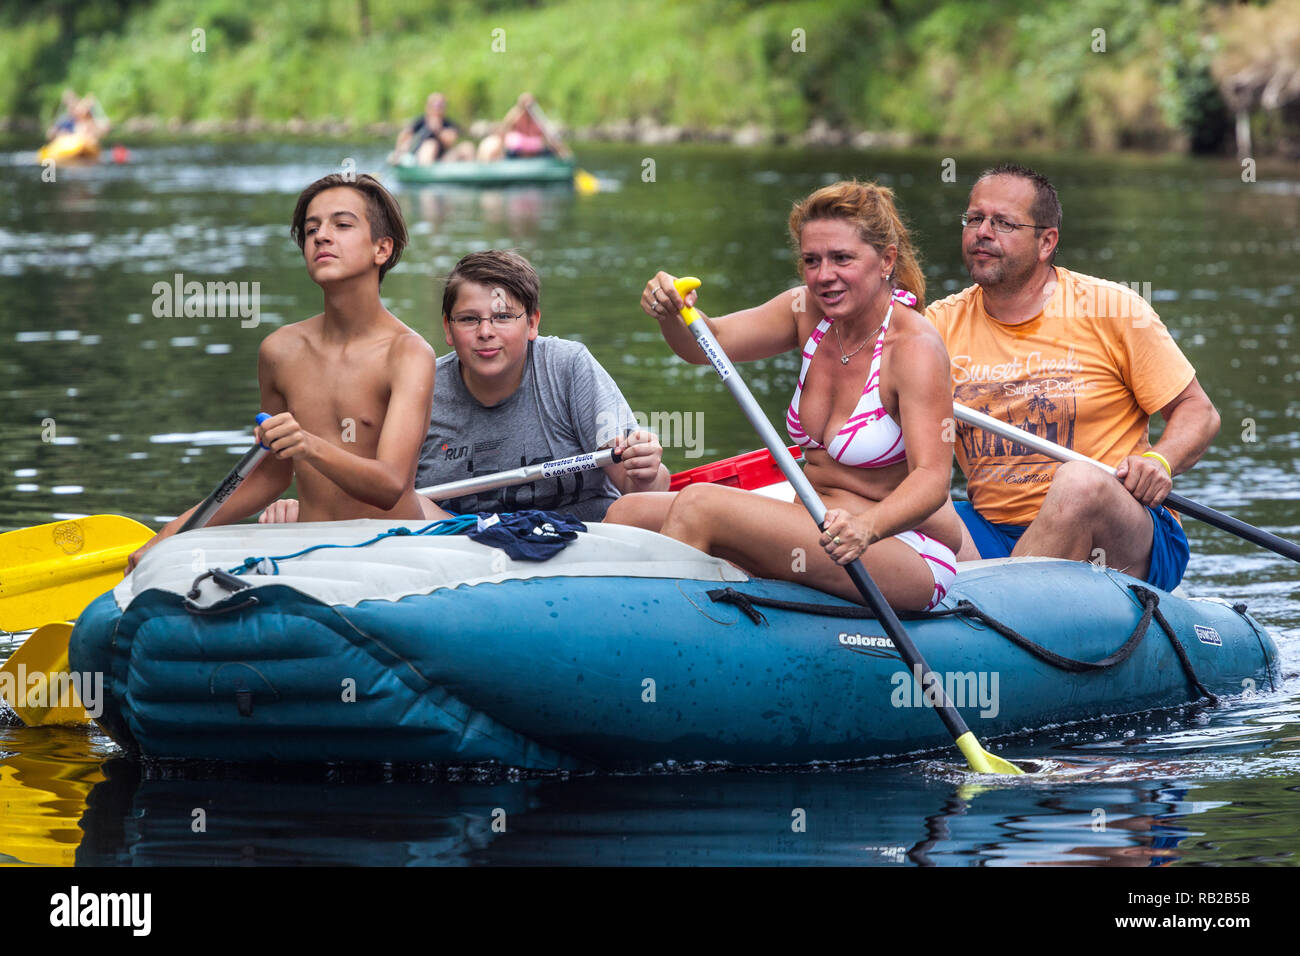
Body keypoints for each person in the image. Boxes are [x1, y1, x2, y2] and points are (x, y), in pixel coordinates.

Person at [608, 181, 964, 612]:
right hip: (810, 521)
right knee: (627, 514)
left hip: (896, 547)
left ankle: (655, 642)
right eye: (811, 260)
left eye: (841, 258)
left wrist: (865, 527)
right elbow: (709, 343)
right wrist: (672, 312)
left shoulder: (914, 347)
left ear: (886, 260)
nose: (823, 275)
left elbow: (931, 480)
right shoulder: (806, 310)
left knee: (701, 504)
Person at [926, 163, 1220, 590]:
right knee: (912, 499)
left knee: (1078, 483)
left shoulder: (1112, 308)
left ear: (1047, 242)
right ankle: (985, 606)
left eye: (1003, 223)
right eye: (974, 219)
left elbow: (1199, 412)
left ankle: (993, 604)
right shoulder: (934, 326)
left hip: (1119, 531)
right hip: (990, 530)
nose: (982, 232)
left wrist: (1159, 462)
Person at [127, 173, 441, 571]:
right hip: (308, 555)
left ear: (382, 248)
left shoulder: (408, 353)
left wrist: (308, 445)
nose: (321, 236)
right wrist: (175, 531)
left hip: (390, 555)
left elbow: (390, 485)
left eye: (342, 225)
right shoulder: (280, 351)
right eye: (312, 229)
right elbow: (269, 478)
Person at [261, 249, 669, 523]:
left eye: (503, 317)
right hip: (461, 554)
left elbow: (641, 486)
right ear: (448, 330)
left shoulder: (568, 365)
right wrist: (311, 509)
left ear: (533, 323)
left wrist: (645, 468)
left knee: (635, 509)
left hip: (586, 539)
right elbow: (380, 492)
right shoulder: (420, 383)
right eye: (469, 319)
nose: (486, 333)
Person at [390, 92, 475, 165]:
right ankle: (426, 173)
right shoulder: (420, 122)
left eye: (441, 105)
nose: (437, 109)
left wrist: (438, 131)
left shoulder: (447, 124)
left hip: (444, 159)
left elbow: (450, 141)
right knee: (430, 145)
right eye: (435, 105)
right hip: (422, 157)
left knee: (467, 147)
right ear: (428, 106)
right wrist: (399, 151)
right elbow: (404, 135)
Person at [476, 93, 564, 162]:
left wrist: (562, 152)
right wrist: (496, 153)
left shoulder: (538, 118)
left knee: (553, 153)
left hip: (535, 154)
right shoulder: (515, 116)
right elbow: (502, 133)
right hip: (517, 154)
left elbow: (551, 139)